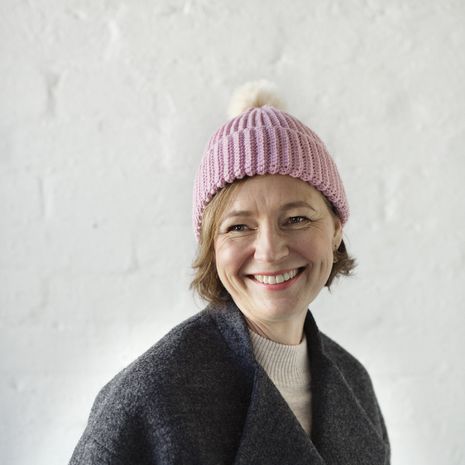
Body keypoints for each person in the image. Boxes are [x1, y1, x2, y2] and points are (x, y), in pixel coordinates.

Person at [69, 80, 391, 465]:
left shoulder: (354, 383)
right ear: (212, 245)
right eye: (238, 226)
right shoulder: (150, 399)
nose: (270, 250)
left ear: (336, 229)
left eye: (297, 219)